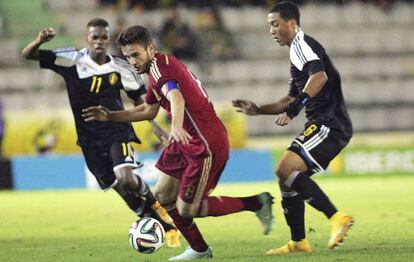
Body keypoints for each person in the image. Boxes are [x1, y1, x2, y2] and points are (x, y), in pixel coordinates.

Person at [82, 25, 274, 261]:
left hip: (204, 143)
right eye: (127, 56)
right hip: (184, 138)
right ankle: (199, 249)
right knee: (162, 195)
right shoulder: (155, 69)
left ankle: (256, 203)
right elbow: (148, 109)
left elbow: (176, 97)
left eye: (135, 54)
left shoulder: (161, 70)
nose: (132, 61)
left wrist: (175, 127)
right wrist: (111, 115)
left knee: (188, 209)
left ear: (151, 49)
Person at [21, 18, 181, 247]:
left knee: (126, 178)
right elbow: (28, 55)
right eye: (95, 36)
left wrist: (155, 128)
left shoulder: (121, 66)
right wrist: (38, 41)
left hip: (117, 130)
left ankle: (157, 207)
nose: (99, 41)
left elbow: (141, 102)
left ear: (108, 39)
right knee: (123, 191)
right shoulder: (71, 59)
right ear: (87, 38)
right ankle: (163, 227)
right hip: (88, 139)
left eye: (104, 37)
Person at [233, 1, 354, 255]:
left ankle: (336, 217)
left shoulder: (302, 44)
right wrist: (258, 109)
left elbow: (319, 77)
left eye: (275, 24)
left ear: (292, 24)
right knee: (287, 180)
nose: (272, 31)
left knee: (284, 168)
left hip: (329, 124)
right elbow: (287, 99)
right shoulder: (296, 53)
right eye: (269, 26)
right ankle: (299, 241)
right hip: (322, 123)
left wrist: (295, 108)